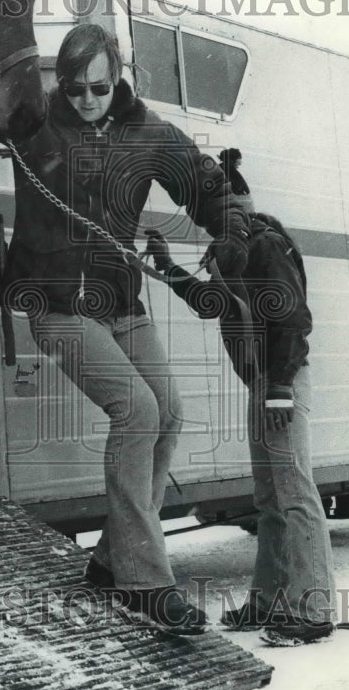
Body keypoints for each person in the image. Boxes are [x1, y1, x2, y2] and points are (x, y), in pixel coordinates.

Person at [0, 24, 252, 635]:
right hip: (56, 303)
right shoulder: (34, 126)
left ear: (119, 79)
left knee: (167, 411)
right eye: (76, 88)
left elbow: (205, 186)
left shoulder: (148, 133)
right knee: (135, 410)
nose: (88, 99)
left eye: (100, 87)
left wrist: (235, 228)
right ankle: (144, 581)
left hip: (120, 301)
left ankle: (112, 559)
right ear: (60, 83)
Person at [144, 147, 337, 646]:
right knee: (270, 499)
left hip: (282, 380)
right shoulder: (231, 250)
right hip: (264, 384)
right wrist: (166, 267)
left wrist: (277, 391)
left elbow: (294, 320)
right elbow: (212, 305)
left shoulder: (265, 244)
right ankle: (269, 601)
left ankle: (313, 610)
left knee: (295, 494)